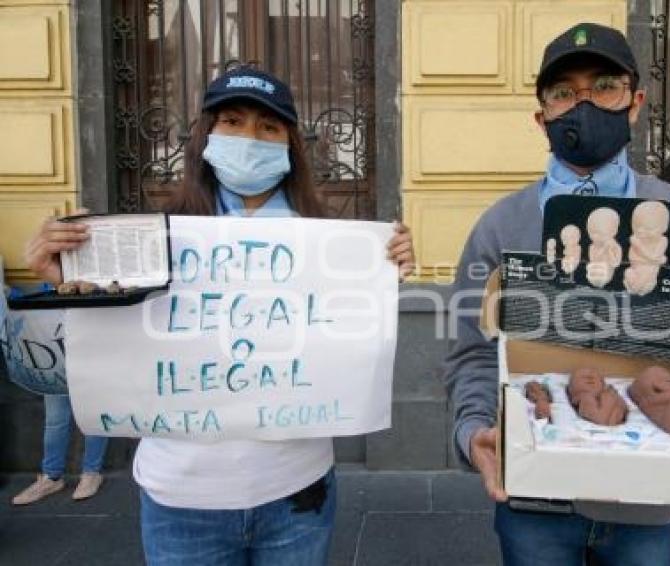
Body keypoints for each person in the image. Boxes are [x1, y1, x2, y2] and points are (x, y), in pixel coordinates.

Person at [443, 23, 670, 566]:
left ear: (635, 103)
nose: (584, 104)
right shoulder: (502, 224)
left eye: (604, 86)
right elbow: (472, 351)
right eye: (564, 93)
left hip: (649, 504)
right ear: (541, 115)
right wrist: (474, 431)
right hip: (533, 505)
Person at [24, 66, 415, 565]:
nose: (250, 137)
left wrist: (383, 275)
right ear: (206, 136)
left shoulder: (333, 247)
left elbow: (355, 348)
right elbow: (94, 358)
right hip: (180, 501)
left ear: (290, 147)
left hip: (297, 496)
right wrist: (60, 283)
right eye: (232, 121)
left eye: (269, 128)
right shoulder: (146, 241)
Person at [11, 394, 108, 505]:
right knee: (55, 419)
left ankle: (91, 473)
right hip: (56, 376)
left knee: (93, 415)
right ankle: (52, 477)